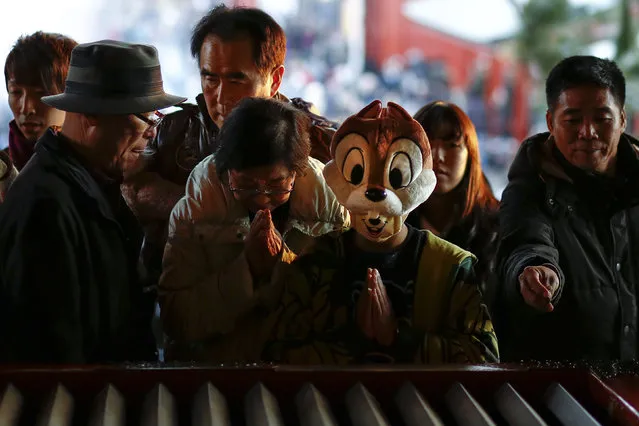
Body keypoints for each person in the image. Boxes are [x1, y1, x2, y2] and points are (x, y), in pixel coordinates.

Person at [263, 101, 498, 365]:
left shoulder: (450, 266)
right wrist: (356, 340)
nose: (376, 192)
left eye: (395, 177)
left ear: (418, 185)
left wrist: (398, 336)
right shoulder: (318, 258)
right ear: (338, 179)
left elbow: (484, 357)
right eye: (359, 174)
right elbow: (278, 351)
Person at [122, 5, 337, 285]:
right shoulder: (172, 133)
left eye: (237, 79)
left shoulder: (321, 144)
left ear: (274, 79)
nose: (221, 96)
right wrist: (198, 205)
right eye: (210, 78)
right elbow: (131, 187)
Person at [0, 40, 186, 363]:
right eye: (145, 118)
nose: (151, 133)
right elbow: (47, 363)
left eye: (156, 118)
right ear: (90, 113)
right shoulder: (44, 207)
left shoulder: (101, 187)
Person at [159, 97, 348, 362]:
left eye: (276, 184)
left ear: (297, 172)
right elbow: (176, 318)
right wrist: (245, 268)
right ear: (226, 172)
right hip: (218, 369)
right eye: (246, 184)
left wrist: (283, 262)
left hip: (298, 367)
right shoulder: (198, 206)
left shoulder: (329, 202)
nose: (261, 198)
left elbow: (340, 307)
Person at [496, 55, 639, 362]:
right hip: (563, 393)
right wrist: (535, 271)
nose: (588, 132)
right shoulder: (529, 189)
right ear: (550, 122)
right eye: (573, 120)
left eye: (602, 118)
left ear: (623, 119)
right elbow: (525, 241)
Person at [407, 101, 499, 309]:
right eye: (428, 143)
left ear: (471, 154)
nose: (438, 156)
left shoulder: (497, 227)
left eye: (452, 145)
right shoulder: (389, 222)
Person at [4, 31, 77, 170]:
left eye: (41, 93)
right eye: (16, 92)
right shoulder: (3, 169)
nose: (26, 108)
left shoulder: (98, 169)